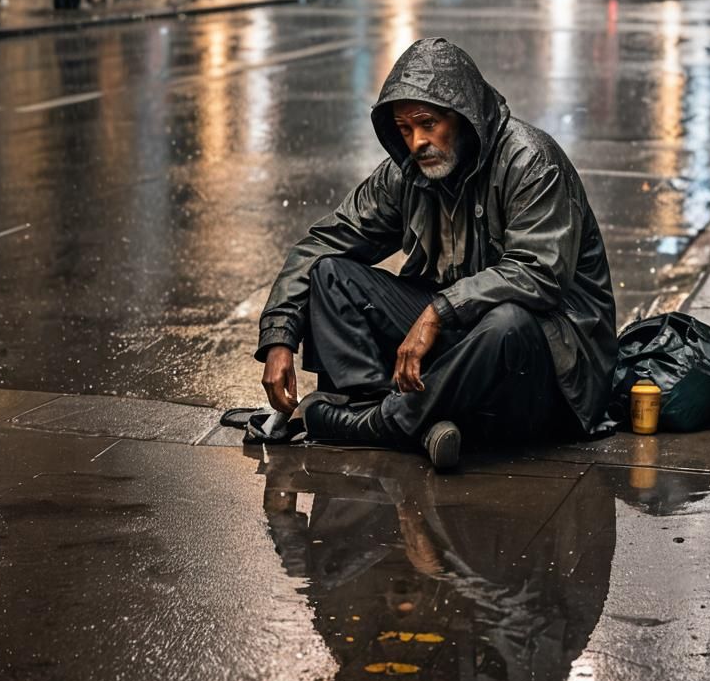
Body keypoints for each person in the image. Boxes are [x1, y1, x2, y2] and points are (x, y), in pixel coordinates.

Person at [253, 37, 618, 471]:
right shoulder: (407, 174)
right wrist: (279, 336)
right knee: (332, 274)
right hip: (462, 339)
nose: (417, 142)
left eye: (427, 124)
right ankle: (408, 422)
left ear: (463, 118)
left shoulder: (531, 162)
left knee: (508, 322)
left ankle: (378, 423)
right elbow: (323, 244)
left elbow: (538, 275)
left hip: (552, 363)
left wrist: (438, 312)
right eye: (405, 129)